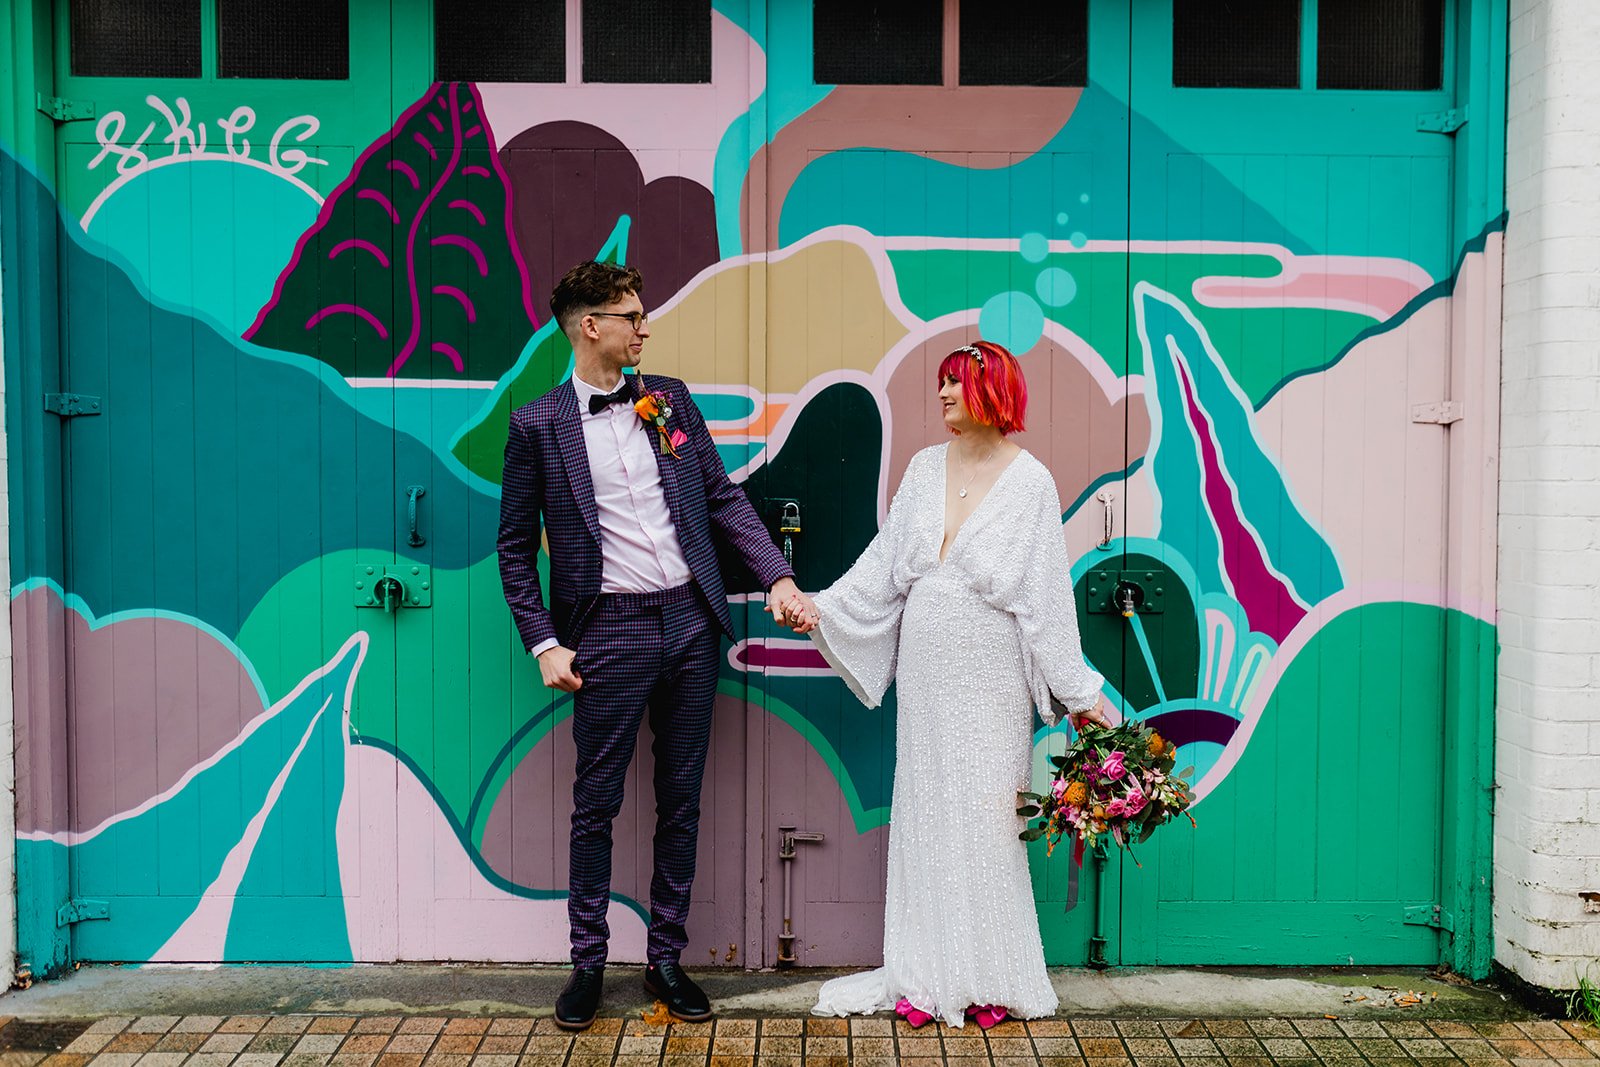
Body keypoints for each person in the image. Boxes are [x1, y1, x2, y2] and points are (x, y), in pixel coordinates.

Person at [498, 261, 818, 1031]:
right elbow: (513, 548)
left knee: (680, 799)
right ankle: (586, 965)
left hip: (690, 623)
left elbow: (719, 496)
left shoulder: (666, 399)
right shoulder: (537, 424)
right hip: (605, 630)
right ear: (590, 327)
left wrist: (775, 574)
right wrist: (543, 640)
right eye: (632, 315)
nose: (646, 327)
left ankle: (666, 959)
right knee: (596, 805)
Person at [780, 340, 1111, 1029]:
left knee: (989, 820)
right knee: (929, 815)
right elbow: (882, 566)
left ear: (993, 390)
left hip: (991, 677)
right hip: (928, 675)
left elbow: (1048, 599)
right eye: (940, 384)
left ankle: (991, 977)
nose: (941, 396)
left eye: (954, 384)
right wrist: (823, 607)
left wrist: (1081, 697)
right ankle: (925, 976)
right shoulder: (924, 467)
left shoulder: (1032, 483)